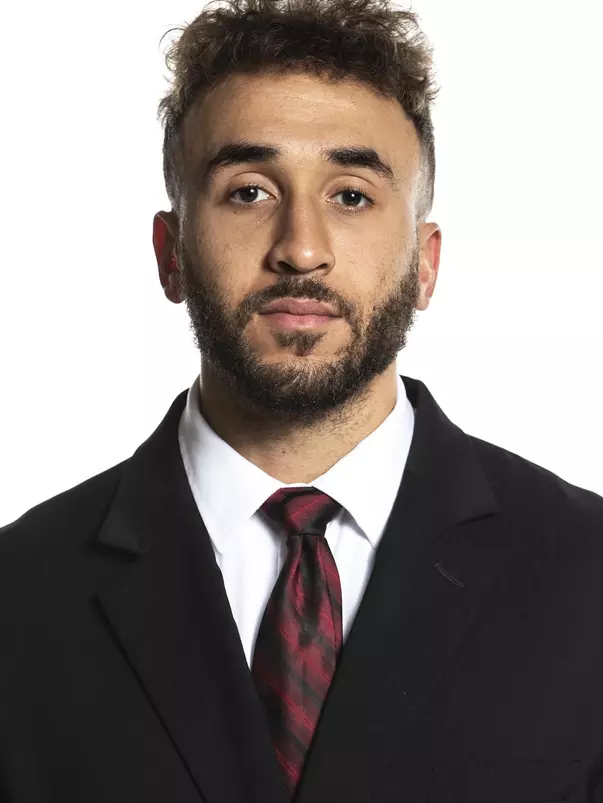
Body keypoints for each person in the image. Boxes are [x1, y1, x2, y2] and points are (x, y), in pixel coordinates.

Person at [1, 0, 602, 800]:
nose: (301, 248)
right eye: (248, 191)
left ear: (424, 266)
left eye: (351, 195)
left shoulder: (586, 574)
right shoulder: (18, 597)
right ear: (170, 253)